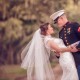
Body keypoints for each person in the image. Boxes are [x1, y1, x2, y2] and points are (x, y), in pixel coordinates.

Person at [50, 9, 80, 80]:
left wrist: (78, 47)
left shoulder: (74, 25)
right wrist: (58, 55)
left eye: (57, 22)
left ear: (61, 18)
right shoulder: (61, 33)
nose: (57, 24)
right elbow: (62, 48)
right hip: (71, 62)